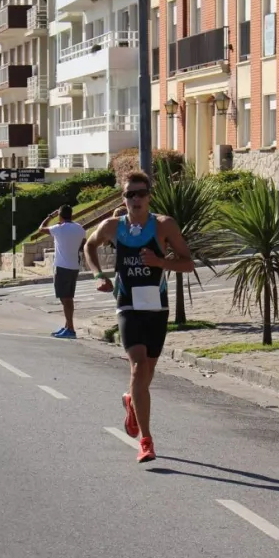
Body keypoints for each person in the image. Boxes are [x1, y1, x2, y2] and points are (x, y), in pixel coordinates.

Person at [84, 171, 194, 463]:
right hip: (127, 304)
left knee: (147, 372)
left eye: (140, 193)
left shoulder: (164, 225)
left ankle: (132, 400)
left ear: (149, 197)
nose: (135, 199)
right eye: (129, 194)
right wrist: (98, 275)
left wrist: (159, 262)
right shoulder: (112, 226)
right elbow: (89, 245)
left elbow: (188, 263)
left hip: (156, 306)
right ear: (123, 199)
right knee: (137, 368)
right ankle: (146, 441)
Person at [39, 205, 86, 338]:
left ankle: (70, 328)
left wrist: (50, 216)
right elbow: (83, 243)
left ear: (60, 216)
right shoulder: (79, 228)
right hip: (74, 266)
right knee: (67, 297)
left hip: (62, 266)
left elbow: (41, 228)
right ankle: (67, 326)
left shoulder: (58, 228)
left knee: (65, 298)